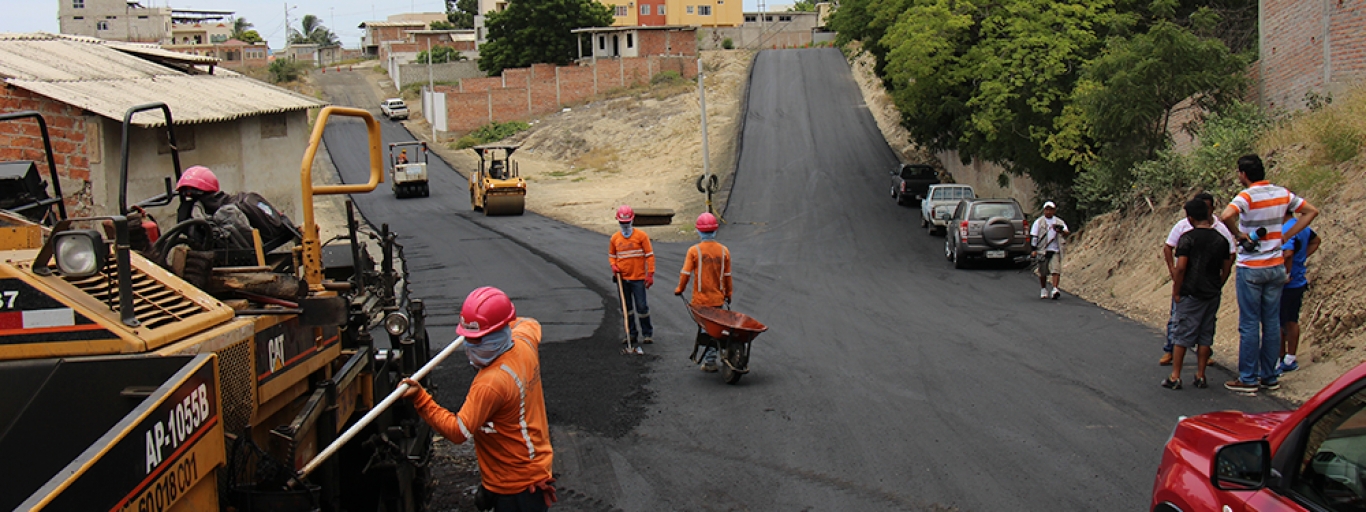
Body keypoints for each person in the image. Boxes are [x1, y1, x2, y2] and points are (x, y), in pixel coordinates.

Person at [400, 286, 556, 511]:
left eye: (477, 340)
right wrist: (498, 317)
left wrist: (420, 398)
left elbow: (458, 431)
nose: (468, 347)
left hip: (515, 486)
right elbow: (529, 323)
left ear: (496, 336)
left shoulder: (491, 383)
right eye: (468, 338)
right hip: (533, 469)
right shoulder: (524, 342)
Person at [1219, 154, 1319, 395]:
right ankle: (1270, 375)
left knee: (1250, 323)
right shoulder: (1282, 193)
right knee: (1272, 322)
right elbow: (1310, 211)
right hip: (1275, 265)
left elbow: (1226, 215)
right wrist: (1287, 235)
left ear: (1243, 174)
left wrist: (1239, 235)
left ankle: (1248, 378)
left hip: (1252, 266)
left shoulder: (1246, 196)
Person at [1162, 199, 1233, 390]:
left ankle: (1175, 375)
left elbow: (1182, 267)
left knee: (1182, 332)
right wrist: (1219, 283)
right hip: (1211, 291)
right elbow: (1227, 265)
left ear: (1190, 217)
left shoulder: (1187, 239)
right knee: (1205, 333)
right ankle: (1201, 374)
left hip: (1191, 291)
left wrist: (1177, 289)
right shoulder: (1221, 239)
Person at [674, 212, 732, 372]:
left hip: (701, 301)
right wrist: (728, 294)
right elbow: (727, 276)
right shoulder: (724, 251)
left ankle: (710, 362)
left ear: (698, 230)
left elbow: (685, 273)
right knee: (718, 328)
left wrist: (680, 289)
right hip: (718, 299)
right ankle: (723, 355)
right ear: (715, 230)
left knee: (706, 330)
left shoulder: (694, 251)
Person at [1278, 210, 1321, 373]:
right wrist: (1301, 257)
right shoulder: (1301, 226)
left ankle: (1279, 357)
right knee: (1292, 319)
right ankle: (1290, 357)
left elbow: (1287, 253)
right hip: (1299, 280)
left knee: (1278, 321)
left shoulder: (1286, 230)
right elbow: (1316, 241)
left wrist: (1284, 273)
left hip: (1287, 283)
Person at [608, 205, 655, 345]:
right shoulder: (615, 238)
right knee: (626, 308)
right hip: (622, 279)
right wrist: (613, 266)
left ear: (632, 220)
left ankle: (647, 334)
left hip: (638, 278)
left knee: (641, 306)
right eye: (622, 223)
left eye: (627, 222)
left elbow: (649, 255)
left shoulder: (641, 236)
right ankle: (631, 334)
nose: (625, 226)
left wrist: (650, 274)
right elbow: (612, 255)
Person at [1030, 201, 1069, 299]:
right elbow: (1034, 236)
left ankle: (1055, 289)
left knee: (1056, 269)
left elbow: (1066, 232)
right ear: (1044, 210)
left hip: (1055, 249)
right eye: (1047, 209)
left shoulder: (1059, 222)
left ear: (1054, 211)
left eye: (1050, 209)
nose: (1048, 211)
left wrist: (1060, 231)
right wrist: (1034, 249)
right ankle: (1043, 288)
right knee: (1043, 271)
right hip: (1042, 250)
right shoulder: (1039, 222)